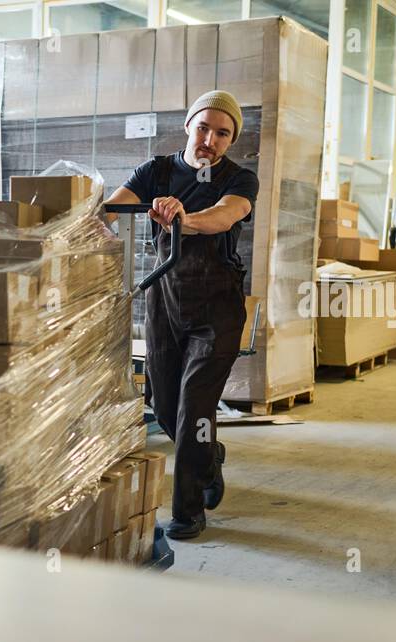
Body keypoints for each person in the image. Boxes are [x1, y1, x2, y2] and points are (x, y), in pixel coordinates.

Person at [105, 90, 259, 541]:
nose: (210, 139)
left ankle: (188, 510)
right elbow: (111, 212)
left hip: (217, 308)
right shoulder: (155, 172)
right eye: (204, 127)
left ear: (231, 140)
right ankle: (210, 459)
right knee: (164, 404)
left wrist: (181, 216)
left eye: (223, 132)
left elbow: (225, 216)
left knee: (194, 408)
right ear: (189, 125)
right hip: (164, 299)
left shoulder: (239, 178)